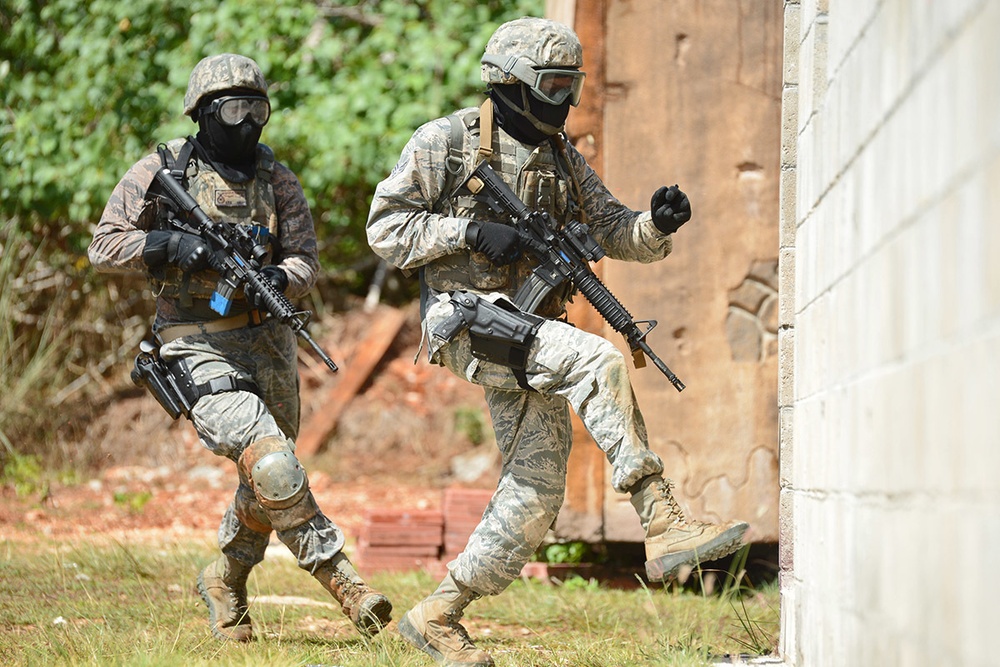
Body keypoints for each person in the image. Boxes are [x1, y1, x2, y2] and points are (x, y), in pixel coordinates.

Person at [366, 17, 749, 666]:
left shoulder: (563, 160)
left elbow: (616, 232)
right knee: (596, 358)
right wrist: (465, 234)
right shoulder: (448, 143)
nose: (565, 99)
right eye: (553, 83)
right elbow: (386, 229)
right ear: (511, 83)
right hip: (467, 320)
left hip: (529, 331)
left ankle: (438, 615)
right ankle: (660, 517)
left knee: (536, 493)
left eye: (573, 84)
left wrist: (655, 223)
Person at [89, 53, 392, 642]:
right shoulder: (161, 169)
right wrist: (169, 245)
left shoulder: (277, 179)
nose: (249, 121)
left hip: (269, 342)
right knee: (273, 461)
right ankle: (345, 582)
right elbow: (105, 246)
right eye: (235, 108)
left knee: (269, 471)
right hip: (192, 341)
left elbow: (305, 257)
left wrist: (282, 278)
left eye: (259, 108)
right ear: (204, 112)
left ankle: (225, 577)